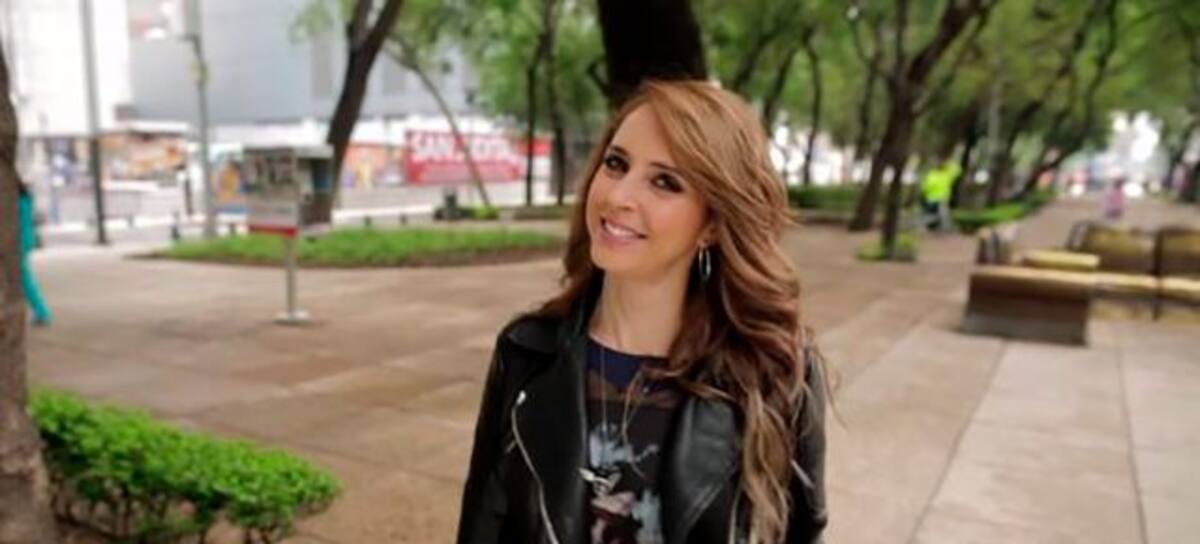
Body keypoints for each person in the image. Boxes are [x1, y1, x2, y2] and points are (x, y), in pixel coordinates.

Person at [457, 81, 827, 544]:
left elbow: (804, 531)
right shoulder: (526, 352)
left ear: (712, 225)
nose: (618, 197)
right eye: (616, 164)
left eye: (664, 182)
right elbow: (483, 524)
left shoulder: (775, 372)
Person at [17, 181, 52, 326]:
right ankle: (41, 312)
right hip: (25, 240)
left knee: (24, 279)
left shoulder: (15, 201)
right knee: (24, 278)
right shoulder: (24, 198)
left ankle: (42, 312)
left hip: (18, 242)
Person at [919, 160, 958, 232]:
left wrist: (948, 163)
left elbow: (957, 171)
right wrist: (949, 163)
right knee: (937, 213)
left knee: (934, 213)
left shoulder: (940, 174)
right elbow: (956, 171)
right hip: (936, 197)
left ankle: (934, 228)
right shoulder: (944, 174)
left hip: (937, 197)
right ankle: (934, 228)